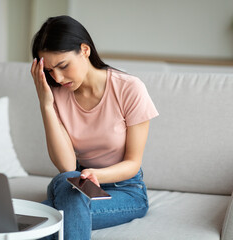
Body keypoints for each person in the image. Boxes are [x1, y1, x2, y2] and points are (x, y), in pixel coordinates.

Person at [30, 15, 159, 240]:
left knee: (30, 224)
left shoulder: (129, 89)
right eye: (50, 71)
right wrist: (46, 104)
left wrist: (96, 175)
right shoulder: (57, 94)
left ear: (85, 50)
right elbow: (67, 166)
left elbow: (132, 163)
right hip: (75, 185)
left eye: (63, 66)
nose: (58, 78)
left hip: (125, 190)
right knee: (64, 181)